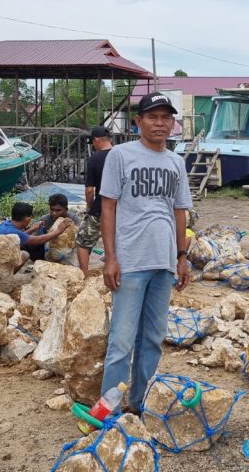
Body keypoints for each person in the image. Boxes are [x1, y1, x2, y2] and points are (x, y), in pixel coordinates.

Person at [99, 92, 193, 411]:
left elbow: (180, 211)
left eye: (166, 117)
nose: (160, 123)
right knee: (121, 342)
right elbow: (108, 207)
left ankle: (140, 404)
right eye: (153, 117)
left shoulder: (176, 162)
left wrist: (182, 257)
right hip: (130, 261)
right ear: (138, 122)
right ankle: (108, 410)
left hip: (164, 262)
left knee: (152, 340)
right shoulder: (120, 156)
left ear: (173, 123)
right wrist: (110, 258)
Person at [76, 126, 114, 277]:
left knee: (83, 241)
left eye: (93, 143)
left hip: (101, 207)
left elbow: (89, 190)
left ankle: (84, 274)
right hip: (123, 208)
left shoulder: (95, 159)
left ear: (97, 140)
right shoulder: (123, 155)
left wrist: (89, 206)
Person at [0, 201, 73, 261]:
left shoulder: (5, 224)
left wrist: (32, 229)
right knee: (25, 255)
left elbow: (18, 237)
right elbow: (38, 240)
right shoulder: (14, 232)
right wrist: (59, 230)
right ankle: (9, 273)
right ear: (27, 218)